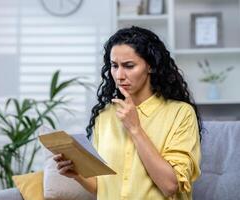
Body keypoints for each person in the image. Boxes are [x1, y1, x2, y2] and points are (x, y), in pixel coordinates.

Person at [53, 26, 201, 200]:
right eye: (114, 66)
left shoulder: (181, 113)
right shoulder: (106, 115)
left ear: (151, 66)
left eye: (129, 66)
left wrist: (135, 128)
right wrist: (76, 174)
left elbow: (170, 186)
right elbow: (103, 189)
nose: (119, 75)